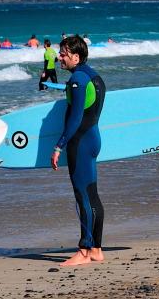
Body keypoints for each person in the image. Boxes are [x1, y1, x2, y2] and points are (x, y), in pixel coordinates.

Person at [51, 35, 106, 267]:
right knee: (92, 194)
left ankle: (84, 251)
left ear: (76, 56)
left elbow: (74, 119)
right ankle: (96, 249)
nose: (59, 57)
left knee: (82, 195)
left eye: (63, 53)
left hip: (80, 143)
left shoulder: (77, 80)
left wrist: (59, 145)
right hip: (92, 138)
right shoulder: (94, 76)